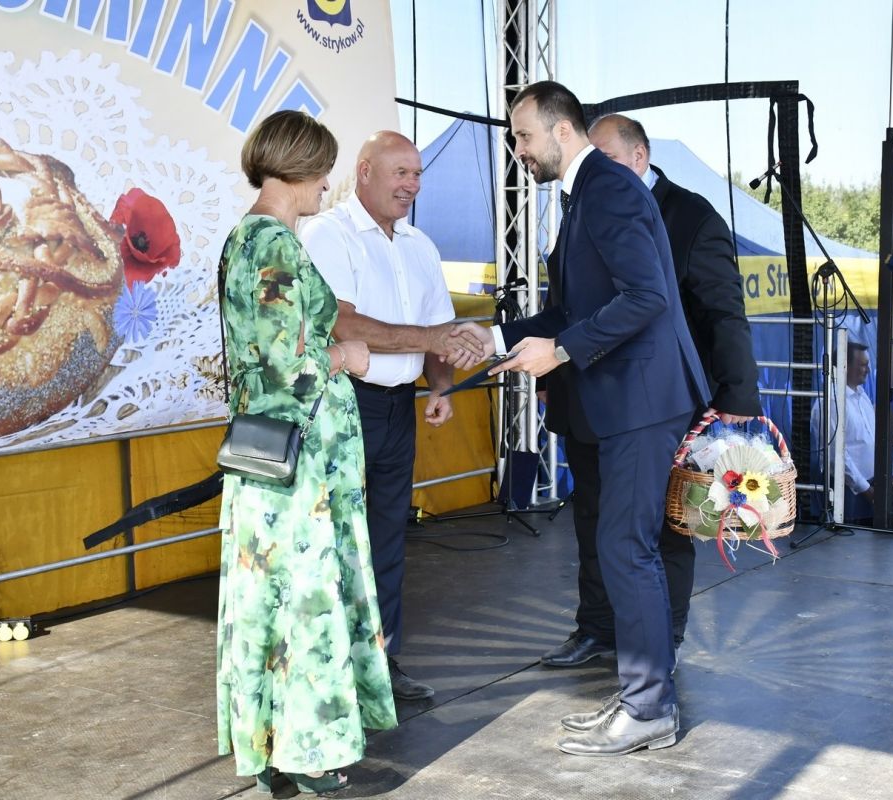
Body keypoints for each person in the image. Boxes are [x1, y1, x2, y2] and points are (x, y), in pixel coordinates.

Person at [471, 81, 709, 756]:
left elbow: (647, 297)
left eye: (523, 136)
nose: (518, 150)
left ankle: (649, 708)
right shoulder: (587, 192)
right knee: (622, 547)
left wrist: (561, 350)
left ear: (560, 130)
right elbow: (577, 307)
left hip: (642, 400)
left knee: (627, 548)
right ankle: (641, 695)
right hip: (628, 400)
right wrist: (496, 338)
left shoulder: (605, 187)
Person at [529, 113, 760, 670]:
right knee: (594, 518)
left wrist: (737, 396)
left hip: (660, 402)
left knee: (662, 526)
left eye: (605, 157)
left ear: (639, 156)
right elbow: (570, 305)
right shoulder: (577, 204)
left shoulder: (693, 216)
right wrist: (549, 370)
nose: (593, 166)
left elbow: (723, 312)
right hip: (589, 394)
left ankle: (663, 640)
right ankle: (597, 627)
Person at [216, 110, 396, 794]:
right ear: (298, 167)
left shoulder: (255, 239)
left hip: (283, 465)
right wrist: (346, 355)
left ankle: (276, 747)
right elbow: (283, 366)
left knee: (274, 599)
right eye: (322, 170)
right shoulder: (270, 244)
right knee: (305, 600)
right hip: (297, 473)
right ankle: (308, 751)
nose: (326, 183)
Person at [300, 130, 483, 702]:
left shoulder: (420, 245)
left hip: (399, 408)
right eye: (400, 172)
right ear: (364, 171)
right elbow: (343, 325)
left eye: (418, 174)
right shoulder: (327, 233)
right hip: (342, 403)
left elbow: (439, 330)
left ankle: (380, 664)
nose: (412, 185)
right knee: (334, 537)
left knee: (386, 539)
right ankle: (329, 672)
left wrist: (442, 385)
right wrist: (432, 340)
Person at [809, 342, 893, 525]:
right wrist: (865, 489)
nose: (868, 370)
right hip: (849, 495)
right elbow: (835, 455)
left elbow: (873, 441)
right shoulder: (831, 402)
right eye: (862, 365)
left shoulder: (862, 396)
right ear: (844, 366)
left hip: (872, 491)